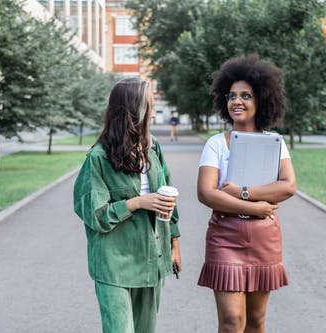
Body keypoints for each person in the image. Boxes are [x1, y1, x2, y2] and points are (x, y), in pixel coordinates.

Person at [73, 77, 182, 333]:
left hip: (151, 258)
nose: (153, 112)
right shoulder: (99, 158)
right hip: (114, 262)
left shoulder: (152, 147)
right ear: (135, 110)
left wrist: (174, 244)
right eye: (150, 105)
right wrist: (137, 202)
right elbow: (95, 214)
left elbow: (169, 198)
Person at [197, 55, 296, 333]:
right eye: (231, 96)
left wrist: (242, 192)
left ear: (261, 99)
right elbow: (206, 193)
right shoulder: (216, 143)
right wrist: (256, 206)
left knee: (256, 322)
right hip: (225, 238)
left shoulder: (274, 142)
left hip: (264, 239)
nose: (236, 101)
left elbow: (288, 185)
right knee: (231, 323)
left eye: (245, 95)